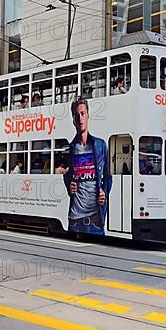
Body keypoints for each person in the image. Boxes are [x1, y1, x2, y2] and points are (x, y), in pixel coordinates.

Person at [63, 97, 112, 235]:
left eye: (83, 114)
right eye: (77, 115)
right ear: (73, 119)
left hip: (96, 221)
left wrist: (104, 191)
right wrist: (69, 185)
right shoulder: (70, 149)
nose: (80, 118)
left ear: (88, 116)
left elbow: (108, 177)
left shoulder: (101, 145)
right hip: (75, 221)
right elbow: (64, 174)